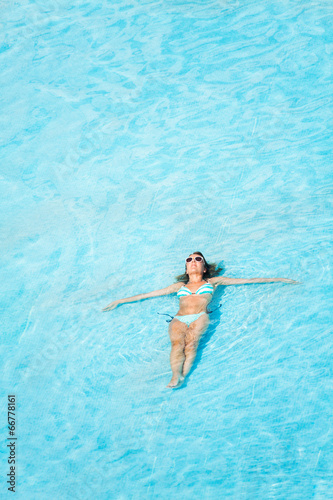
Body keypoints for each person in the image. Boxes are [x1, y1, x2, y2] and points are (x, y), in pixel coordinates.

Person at [102, 252, 298, 389]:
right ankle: (175, 375)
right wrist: (119, 301)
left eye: (198, 259)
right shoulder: (178, 285)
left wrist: (280, 279)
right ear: (186, 268)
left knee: (191, 345)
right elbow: (147, 294)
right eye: (189, 259)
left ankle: (184, 376)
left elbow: (248, 281)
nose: (193, 261)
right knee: (177, 345)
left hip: (200, 316)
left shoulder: (212, 282)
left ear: (204, 268)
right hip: (179, 318)